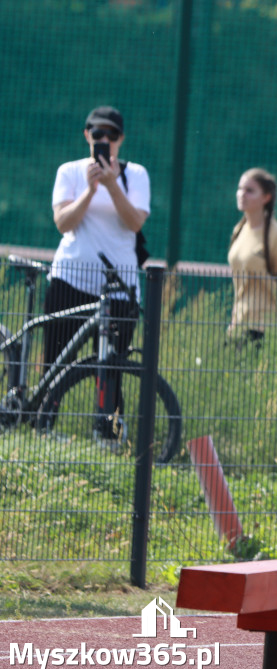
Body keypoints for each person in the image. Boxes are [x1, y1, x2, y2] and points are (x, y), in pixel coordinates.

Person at [46, 105, 151, 440]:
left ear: (121, 140)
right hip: (70, 280)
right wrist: (91, 190)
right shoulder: (69, 172)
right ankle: (43, 426)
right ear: (86, 135)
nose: (104, 140)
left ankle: (108, 434)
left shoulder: (136, 175)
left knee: (113, 365)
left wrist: (112, 184)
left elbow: (135, 222)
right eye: (97, 134)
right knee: (57, 360)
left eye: (112, 135)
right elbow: (64, 223)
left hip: (119, 287)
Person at [227, 167, 277, 348]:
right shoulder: (239, 230)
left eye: (250, 190)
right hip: (238, 324)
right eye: (240, 189)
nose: (242, 194)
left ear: (266, 197)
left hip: (265, 327)